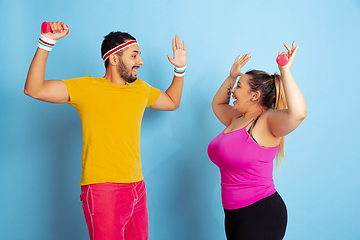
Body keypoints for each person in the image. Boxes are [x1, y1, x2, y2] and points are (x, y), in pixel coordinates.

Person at [24, 21, 187, 240]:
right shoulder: (87, 88)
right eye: (134, 55)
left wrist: (180, 70)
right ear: (113, 59)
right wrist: (46, 42)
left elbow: (172, 102)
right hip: (103, 190)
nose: (140, 61)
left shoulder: (140, 89)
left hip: (137, 185)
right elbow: (34, 89)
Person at [208, 42, 306, 240]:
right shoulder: (236, 119)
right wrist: (233, 76)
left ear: (254, 95)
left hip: (261, 212)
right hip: (233, 214)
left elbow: (299, 113)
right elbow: (218, 103)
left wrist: (285, 71)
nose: (233, 91)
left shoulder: (266, 122)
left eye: (238, 87)